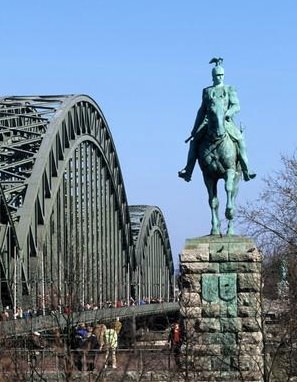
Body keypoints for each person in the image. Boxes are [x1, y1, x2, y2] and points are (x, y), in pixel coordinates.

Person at [178, 57, 256, 183]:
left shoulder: (230, 89)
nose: (219, 77)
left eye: (221, 75)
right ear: (213, 76)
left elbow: (236, 106)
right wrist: (194, 128)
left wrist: (228, 113)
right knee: (195, 142)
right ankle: (188, 170)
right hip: (208, 122)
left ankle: (247, 170)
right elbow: (202, 110)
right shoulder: (207, 91)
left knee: (240, 140)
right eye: (217, 75)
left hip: (226, 121)